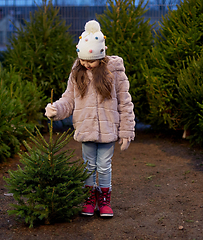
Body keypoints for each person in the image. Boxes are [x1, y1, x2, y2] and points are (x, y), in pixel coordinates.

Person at [45, 20, 135, 217]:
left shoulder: (115, 73)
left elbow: (125, 103)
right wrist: (55, 110)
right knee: (88, 165)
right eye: (83, 60)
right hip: (86, 128)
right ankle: (88, 198)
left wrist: (127, 131)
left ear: (101, 57)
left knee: (103, 165)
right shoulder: (77, 73)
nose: (86, 64)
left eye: (91, 61)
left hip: (108, 130)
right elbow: (68, 100)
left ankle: (104, 201)